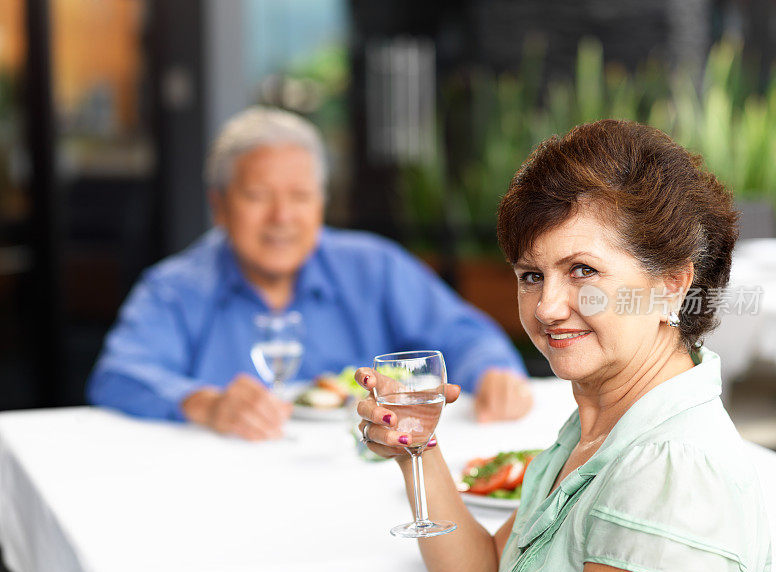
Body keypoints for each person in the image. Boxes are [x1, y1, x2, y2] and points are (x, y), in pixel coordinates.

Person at [355, 120, 776, 572]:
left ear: (671, 287)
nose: (547, 307)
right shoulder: (599, 427)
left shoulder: (669, 470)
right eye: (531, 275)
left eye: (583, 270)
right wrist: (417, 451)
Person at [87, 106, 532, 441]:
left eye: (300, 196)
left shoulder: (374, 267)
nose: (282, 217)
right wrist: (204, 403)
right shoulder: (174, 288)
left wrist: (492, 372)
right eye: (258, 195)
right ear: (219, 205)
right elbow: (119, 375)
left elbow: (466, 335)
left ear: (321, 203)